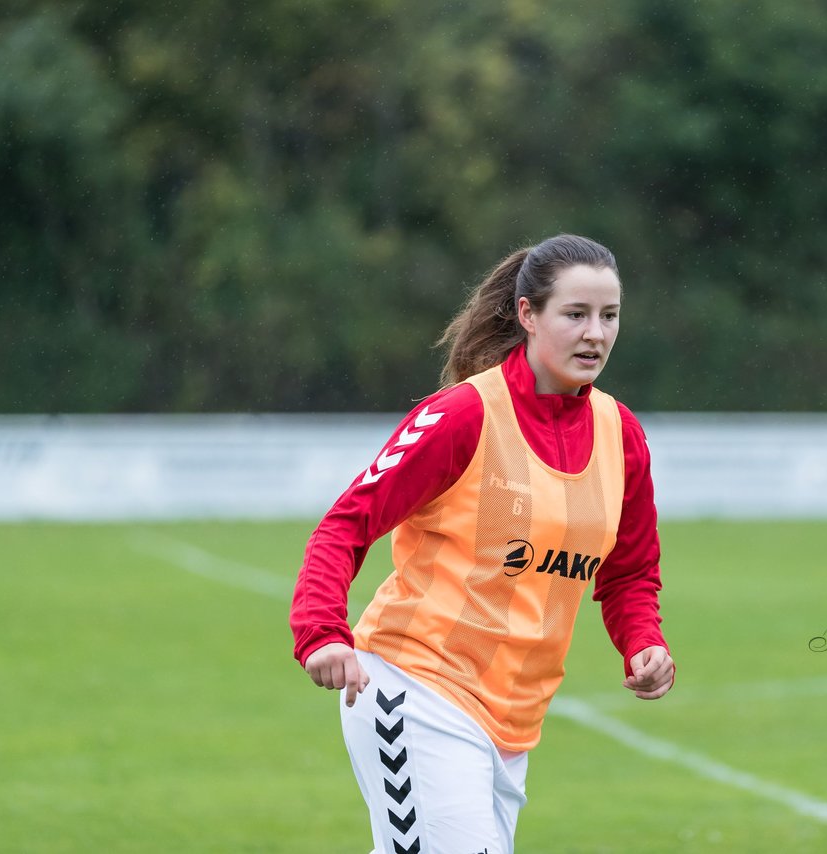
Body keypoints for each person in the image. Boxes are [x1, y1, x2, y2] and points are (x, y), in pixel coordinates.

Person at [289, 233, 675, 854]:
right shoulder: (464, 415)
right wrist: (321, 632)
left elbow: (630, 573)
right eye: (575, 315)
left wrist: (644, 641)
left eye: (610, 316)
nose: (595, 334)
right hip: (414, 692)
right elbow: (345, 525)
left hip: (512, 723)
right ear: (528, 314)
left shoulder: (620, 432)